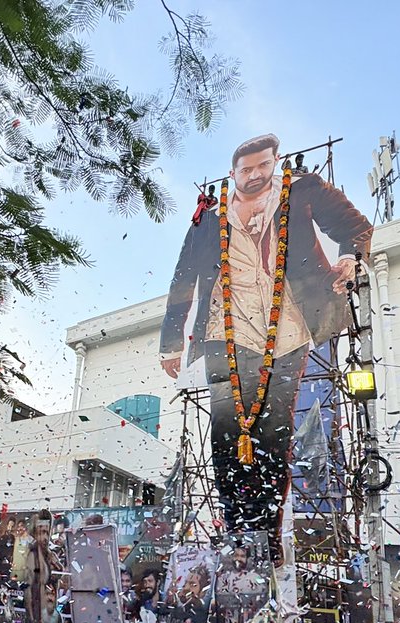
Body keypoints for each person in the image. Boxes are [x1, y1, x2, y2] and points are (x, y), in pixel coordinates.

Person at [160, 132, 374, 547]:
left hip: (288, 328)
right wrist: (171, 342)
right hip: (225, 329)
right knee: (226, 430)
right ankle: (235, 534)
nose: (255, 174)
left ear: (275, 162)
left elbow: (355, 226)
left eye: (263, 165)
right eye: (246, 169)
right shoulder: (210, 216)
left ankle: (266, 537)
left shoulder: (303, 190)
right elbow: (183, 277)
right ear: (232, 173)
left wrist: (349, 257)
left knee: (274, 434)